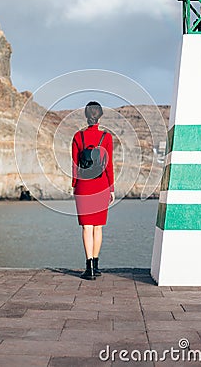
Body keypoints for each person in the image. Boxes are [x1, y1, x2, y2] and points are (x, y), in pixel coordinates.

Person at [72, 101, 115, 280]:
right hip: (101, 185)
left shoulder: (78, 136)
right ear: (100, 116)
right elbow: (108, 165)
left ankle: (88, 268)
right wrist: (111, 188)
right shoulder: (107, 137)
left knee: (86, 227)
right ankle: (96, 266)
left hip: (84, 186)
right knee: (98, 227)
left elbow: (75, 164)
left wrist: (75, 185)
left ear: (86, 115)